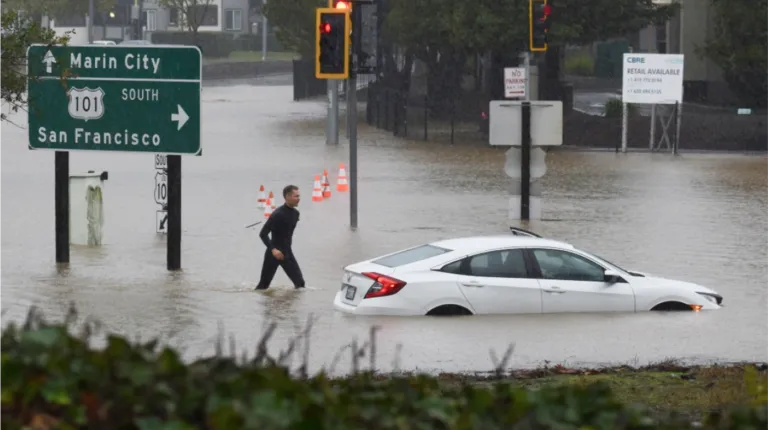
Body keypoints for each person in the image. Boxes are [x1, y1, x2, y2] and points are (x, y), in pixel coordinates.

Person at [255, 185, 306, 290]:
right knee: (263, 287)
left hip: (287, 253)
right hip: (273, 254)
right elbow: (263, 234)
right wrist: (273, 250)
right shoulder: (277, 214)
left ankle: (288, 305)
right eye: (296, 196)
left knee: (300, 284)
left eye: (299, 196)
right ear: (287, 196)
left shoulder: (296, 214)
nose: (299, 198)